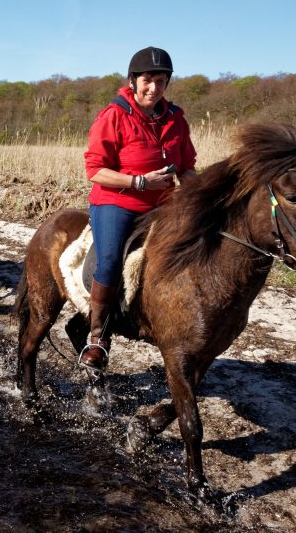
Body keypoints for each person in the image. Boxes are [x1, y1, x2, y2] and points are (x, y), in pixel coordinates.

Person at [80, 46, 198, 370]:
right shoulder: (114, 115)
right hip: (117, 202)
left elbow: (187, 166)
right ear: (133, 80)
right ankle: (98, 338)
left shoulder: (176, 119)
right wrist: (139, 182)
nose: (154, 88)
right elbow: (94, 170)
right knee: (109, 261)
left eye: (161, 81)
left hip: (163, 205)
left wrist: (199, 195)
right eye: (148, 80)